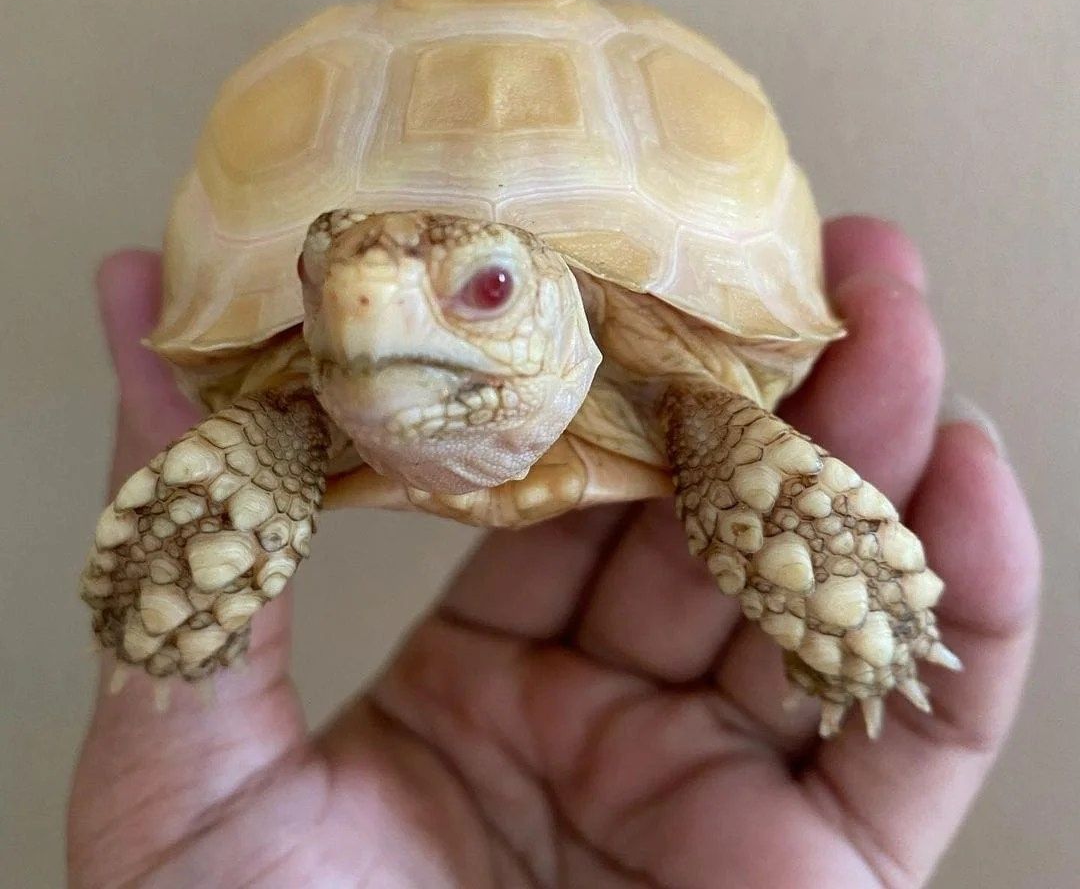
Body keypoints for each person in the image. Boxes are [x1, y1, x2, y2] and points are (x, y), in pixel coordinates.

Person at [68, 217, 1039, 888]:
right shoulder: (298, 406)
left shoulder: (693, 400)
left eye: (486, 290)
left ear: (548, 296)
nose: (363, 313)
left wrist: (863, 619)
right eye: (329, 287)